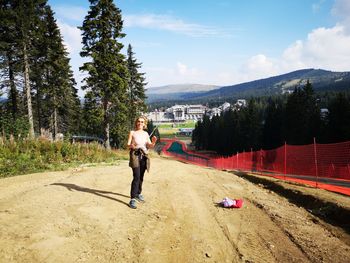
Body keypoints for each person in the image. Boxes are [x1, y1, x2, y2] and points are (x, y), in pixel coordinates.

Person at [127, 116, 157, 209]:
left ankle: (138, 193)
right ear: (136, 123)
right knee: (136, 176)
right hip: (135, 156)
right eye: (139, 121)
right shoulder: (132, 132)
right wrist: (131, 145)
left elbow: (149, 146)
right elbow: (127, 145)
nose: (140, 123)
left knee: (141, 177)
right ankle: (132, 199)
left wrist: (153, 142)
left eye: (142, 122)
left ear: (144, 124)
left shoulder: (146, 134)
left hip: (144, 156)